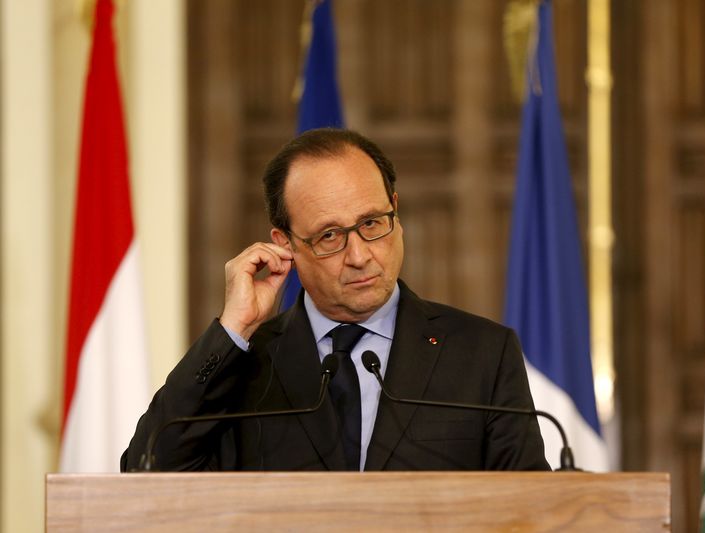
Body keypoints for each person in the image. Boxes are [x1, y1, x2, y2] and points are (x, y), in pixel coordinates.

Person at [121, 128, 550, 472]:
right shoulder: (248, 363)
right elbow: (147, 470)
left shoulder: (481, 354)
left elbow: (530, 508)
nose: (360, 255)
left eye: (371, 223)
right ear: (284, 243)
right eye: (329, 235)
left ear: (395, 213)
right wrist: (233, 329)